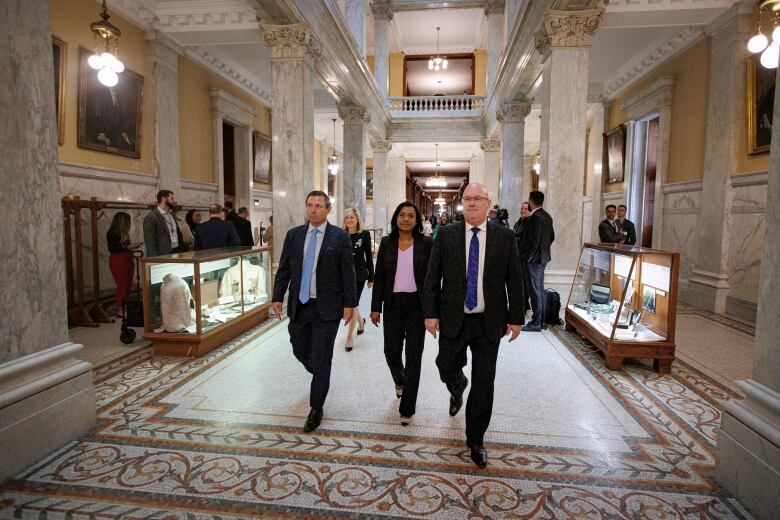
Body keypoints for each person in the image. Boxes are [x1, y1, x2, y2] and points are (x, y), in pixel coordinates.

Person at [423, 182, 524, 468]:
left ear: (488, 203)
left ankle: (476, 438)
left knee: (484, 381)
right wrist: (430, 312)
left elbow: (515, 280)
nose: (470, 203)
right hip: (454, 317)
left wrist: (516, 317)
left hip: (489, 321)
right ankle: (457, 385)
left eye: (477, 199)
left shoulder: (505, 238)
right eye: (467, 199)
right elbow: (433, 277)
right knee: (445, 364)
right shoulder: (447, 235)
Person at [272, 191, 357, 433]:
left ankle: (316, 408)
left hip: (327, 308)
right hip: (300, 306)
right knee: (298, 347)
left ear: (328, 209)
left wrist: (349, 304)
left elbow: (347, 272)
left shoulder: (339, 237)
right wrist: (277, 296)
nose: (313, 210)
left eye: (319, 206)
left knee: (322, 357)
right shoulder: (294, 235)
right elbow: (285, 268)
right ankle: (318, 370)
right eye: (310, 205)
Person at [371, 202, 433, 426]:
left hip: (418, 307)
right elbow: (380, 279)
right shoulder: (387, 243)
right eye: (402, 215)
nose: (406, 219)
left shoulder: (427, 244)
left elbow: (434, 279)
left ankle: (407, 407)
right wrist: (376, 306)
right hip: (394, 305)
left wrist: (433, 311)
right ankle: (400, 380)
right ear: (396, 218)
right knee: (391, 353)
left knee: (414, 357)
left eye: (410, 216)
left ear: (417, 221)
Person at [521, 191, 555, 332]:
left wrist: (528, 257)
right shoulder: (547, 216)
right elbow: (552, 237)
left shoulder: (535, 217)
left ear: (530, 201)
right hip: (543, 258)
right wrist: (543, 250)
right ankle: (541, 321)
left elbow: (534, 241)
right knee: (539, 290)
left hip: (534, 260)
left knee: (535, 291)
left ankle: (536, 322)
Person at [343, 208, 374, 352]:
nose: (349, 220)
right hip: (344, 276)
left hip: (360, 275)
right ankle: (361, 322)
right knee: (352, 304)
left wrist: (371, 277)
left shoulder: (364, 234)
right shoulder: (341, 235)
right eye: (347, 218)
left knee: (353, 303)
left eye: (352, 218)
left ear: (357, 220)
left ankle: (349, 336)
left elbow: (368, 256)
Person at [107, 212, 141, 317]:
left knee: (128, 286)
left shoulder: (124, 233)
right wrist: (128, 247)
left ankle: (125, 306)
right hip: (118, 261)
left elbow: (124, 247)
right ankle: (120, 309)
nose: (129, 224)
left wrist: (132, 247)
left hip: (127, 259)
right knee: (122, 286)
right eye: (128, 222)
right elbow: (113, 249)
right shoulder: (112, 233)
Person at [143, 190, 184, 257]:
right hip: (162, 255)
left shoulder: (172, 214)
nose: (174, 201)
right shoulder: (151, 217)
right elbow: (150, 243)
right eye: (172, 199)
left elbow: (177, 233)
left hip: (176, 252)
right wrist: (154, 261)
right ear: (163, 199)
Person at [513, 201, 533, 316]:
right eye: (522, 208)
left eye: (525, 209)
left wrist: (527, 256)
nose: (523, 210)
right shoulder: (519, 221)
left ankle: (524, 305)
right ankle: (524, 304)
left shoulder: (531, 223)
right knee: (519, 282)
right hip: (517, 255)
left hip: (525, 257)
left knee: (525, 283)